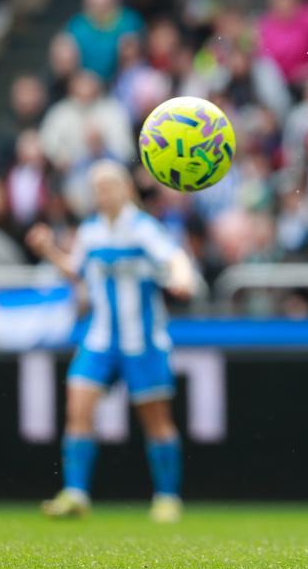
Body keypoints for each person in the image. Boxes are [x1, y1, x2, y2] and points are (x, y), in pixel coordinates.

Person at [28, 161, 195, 523]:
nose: (102, 193)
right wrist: (49, 250)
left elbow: (174, 257)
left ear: (126, 189)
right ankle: (76, 493)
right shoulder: (90, 232)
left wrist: (181, 277)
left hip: (143, 341)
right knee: (78, 407)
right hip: (101, 338)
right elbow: (76, 271)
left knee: (157, 421)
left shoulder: (143, 228)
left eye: (108, 186)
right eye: (96, 187)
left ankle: (167, 497)